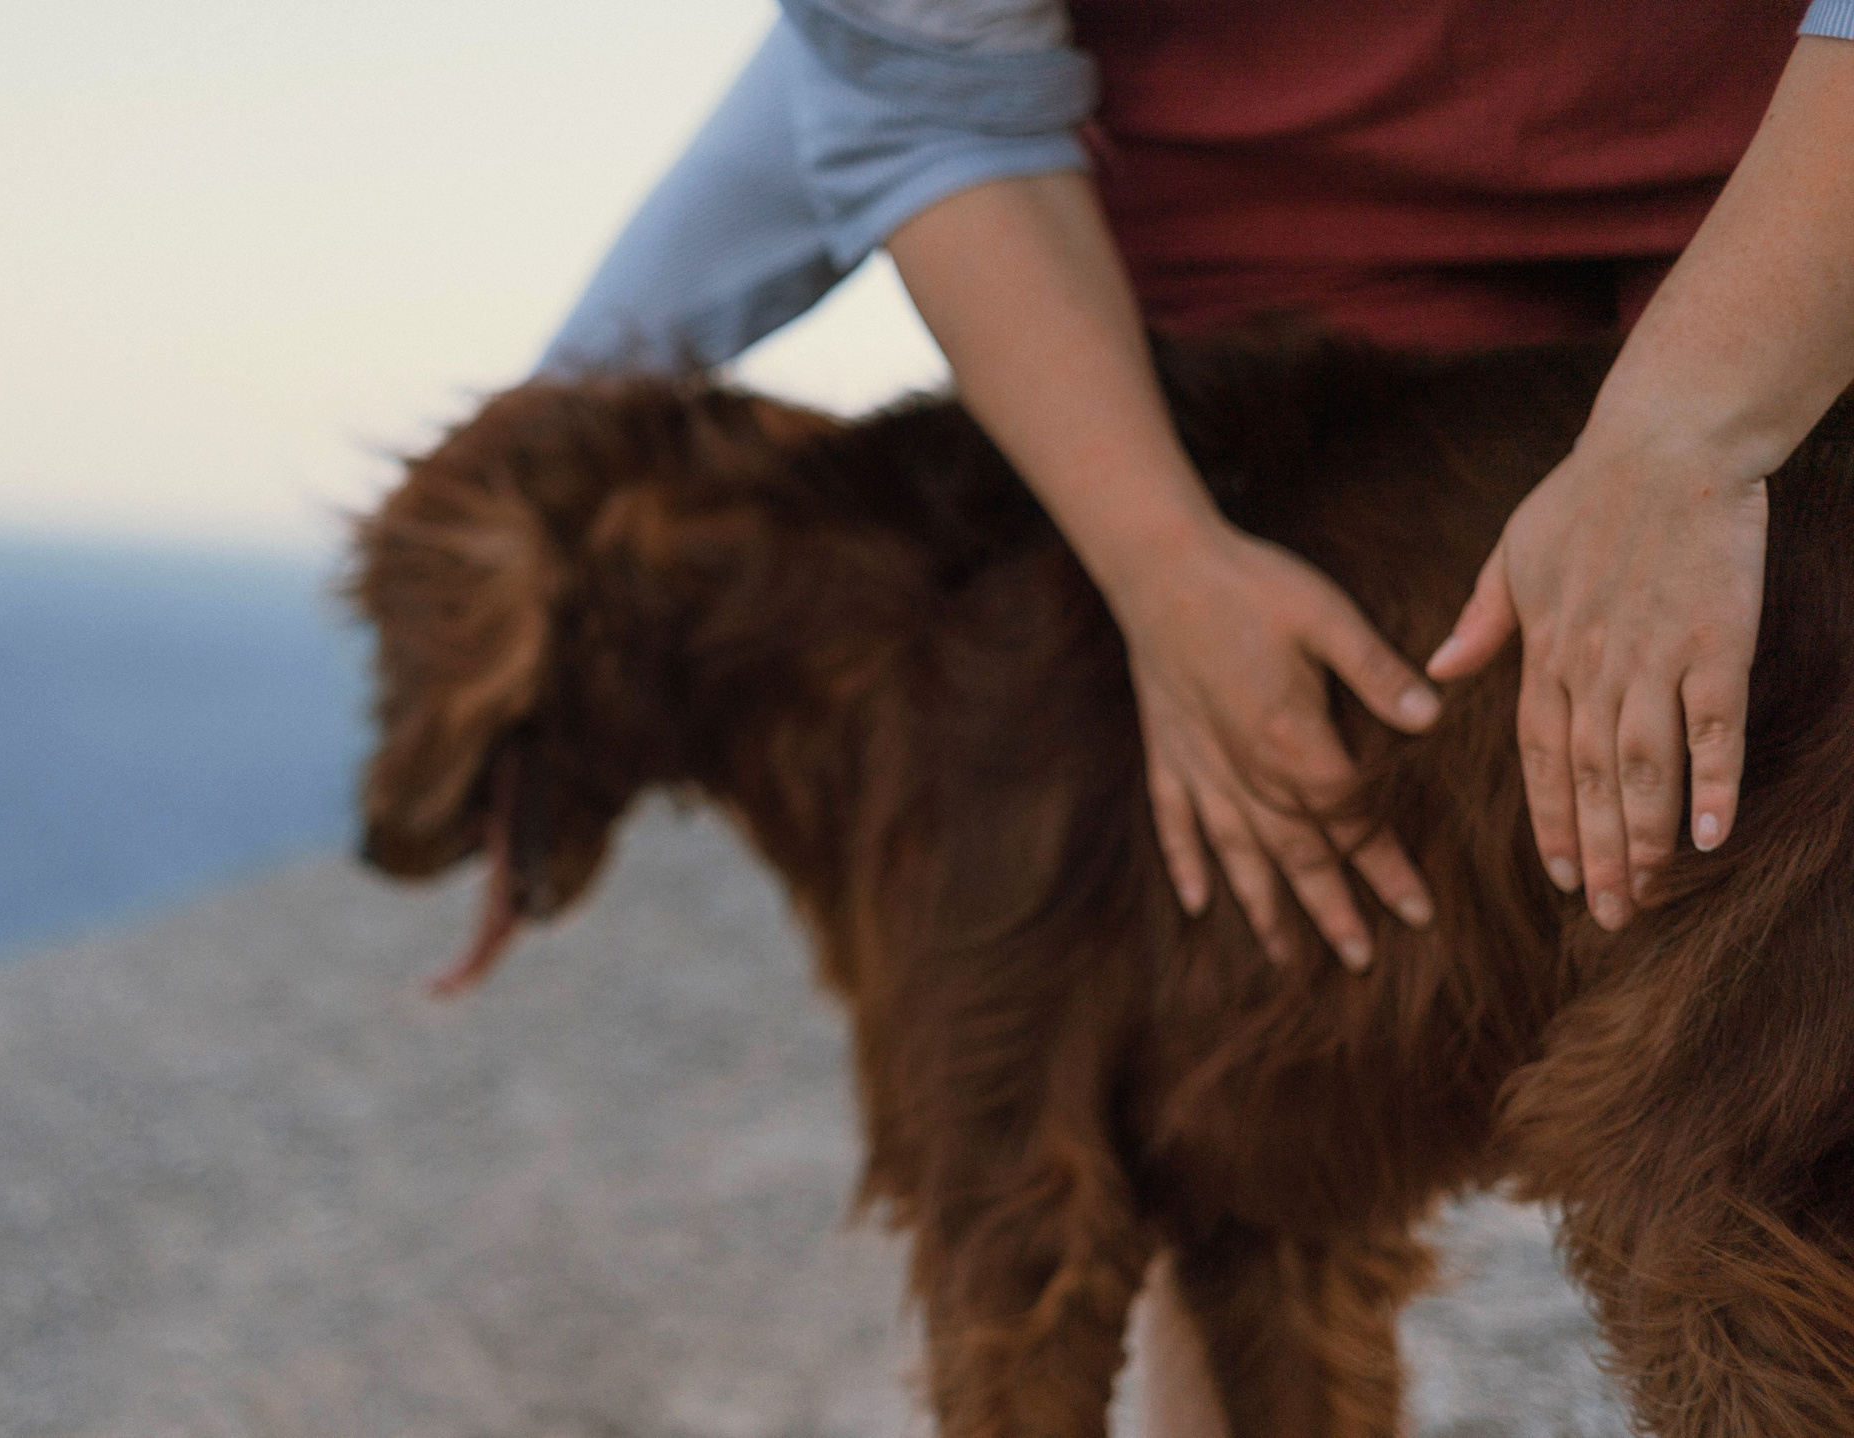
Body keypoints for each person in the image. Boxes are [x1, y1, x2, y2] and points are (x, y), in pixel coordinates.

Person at [537, 3, 1854, 1433]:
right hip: (1277, 198)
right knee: (1251, 1041)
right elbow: (910, 75)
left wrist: (1692, 428)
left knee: (1771, 1118)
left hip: (1796, 106)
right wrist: (1163, 559)